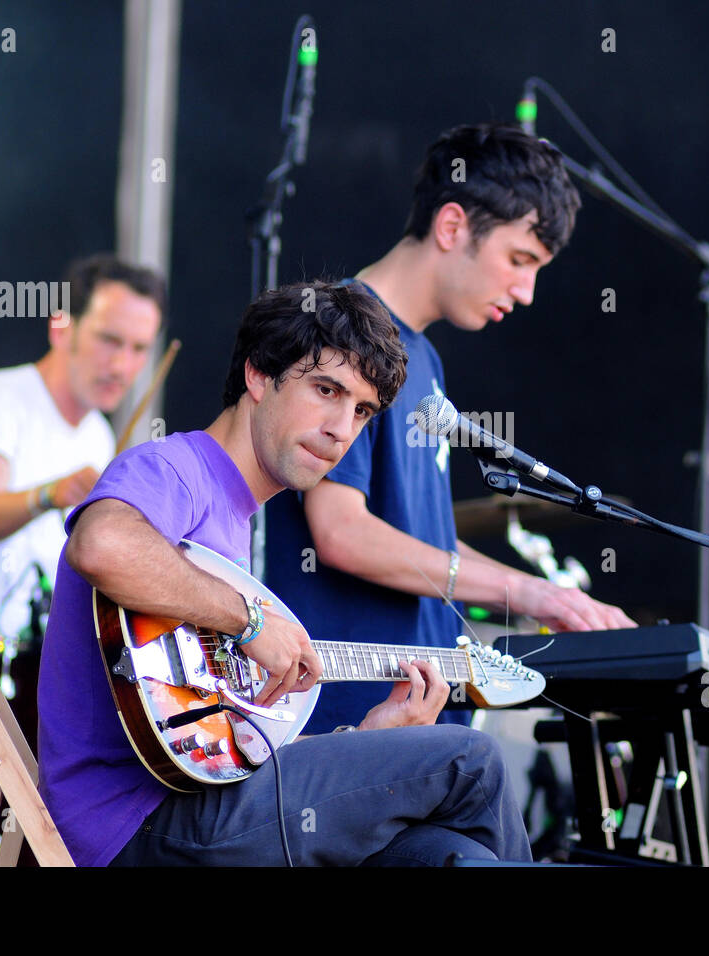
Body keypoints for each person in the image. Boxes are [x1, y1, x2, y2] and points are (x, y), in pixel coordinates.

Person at [37, 281, 531, 866]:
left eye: (362, 411)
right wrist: (248, 620)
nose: (342, 428)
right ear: (258, 375)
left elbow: (218, 748)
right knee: (471, 762)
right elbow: (100, 543)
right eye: (327, 390)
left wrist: (365, 743)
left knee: (449, 857)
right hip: (136, 826)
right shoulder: (174, 467)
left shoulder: (234, 524)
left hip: (200, 806)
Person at [263, 124, 635, 734]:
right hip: (350, 726)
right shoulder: (342, 333)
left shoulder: (424, 362)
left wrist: (542, 594)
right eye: (519, 260)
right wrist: (531, 595)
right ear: (453, 226)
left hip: (421, 721)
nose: (526, 290)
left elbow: (421, 541)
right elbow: (340, 532)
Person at [0, 254, 165, 701]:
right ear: (61, 328)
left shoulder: (97, 434)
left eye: (138, 349)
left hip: (29, 649)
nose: (122, 365)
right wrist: (50, 493)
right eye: (108, 340)